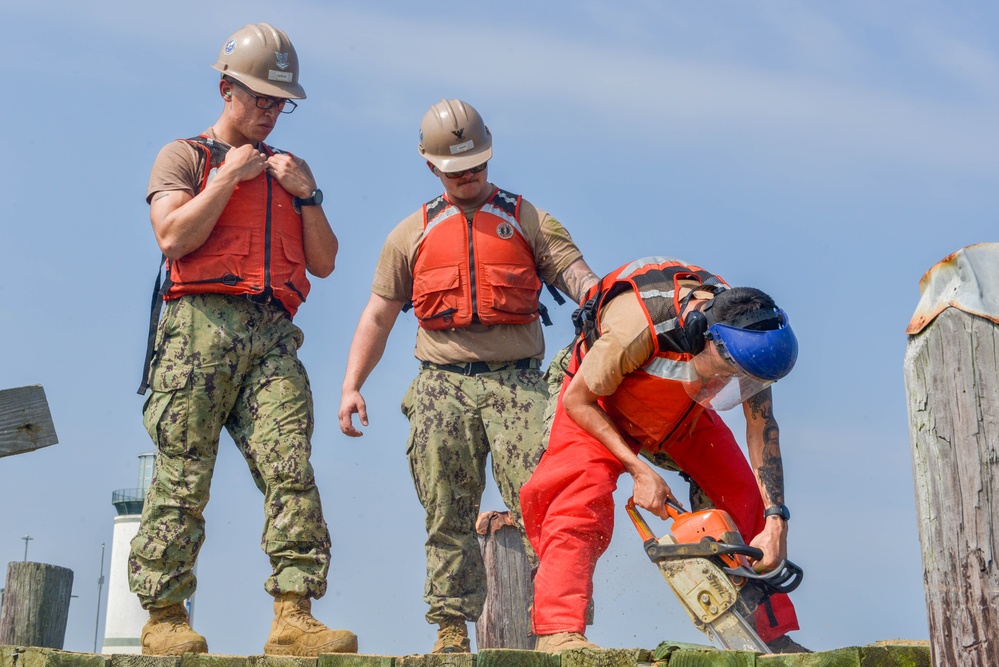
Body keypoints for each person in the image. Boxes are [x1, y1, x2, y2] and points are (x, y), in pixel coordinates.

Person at [129, 23, 357, 657]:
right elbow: (173, 238)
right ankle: (165, 616)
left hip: (271, 335)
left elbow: (327, 262)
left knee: (292, 467)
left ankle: (294, 614)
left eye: (279, 102)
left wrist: (308, 194)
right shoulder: (185, 157)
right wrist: (229, 177)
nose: (270, 112)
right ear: (227, 89)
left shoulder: (291, 175)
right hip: (197, 330)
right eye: (260, 98)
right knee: (182, 471)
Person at [338, 99, 598, 654]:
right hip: (441, 385)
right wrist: (351, 385)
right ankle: (450, 632)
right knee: (446, 509)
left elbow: (580, 280)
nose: (467, 177)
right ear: (432, 167)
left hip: (519, 384)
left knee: (547, 505)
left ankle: (562, 630)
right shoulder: (410, 234)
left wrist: (604, 305)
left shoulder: (530, 221)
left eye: (476, 166)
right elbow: (379, 314)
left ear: (489, 155)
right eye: (455, 171)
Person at [520, 256, 809, 654]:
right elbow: (579, 401)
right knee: (576, 500)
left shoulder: (749, 334)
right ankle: (558, 632)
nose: (734, 383)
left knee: (744, 494)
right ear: (705, 337)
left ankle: (772, 638)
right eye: (729, 371)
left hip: (682, 409)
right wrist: (639, 470)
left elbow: (762, 426)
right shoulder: (635, 323)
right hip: (599, 403)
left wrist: (777, 519)